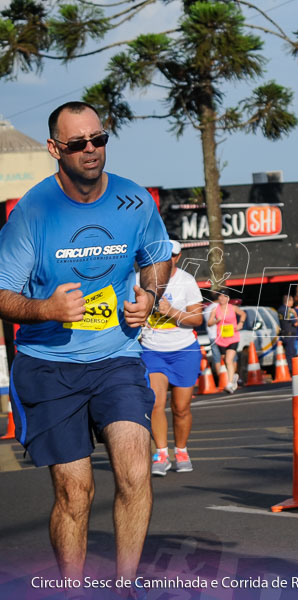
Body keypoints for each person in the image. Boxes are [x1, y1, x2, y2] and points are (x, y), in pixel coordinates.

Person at [0, 101, 171, 590]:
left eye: (99, 139)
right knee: (76, 492)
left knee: (136, 470)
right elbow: (2, 294)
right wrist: (46, 309)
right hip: (49, 364)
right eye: (78, 143)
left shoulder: (134, 200)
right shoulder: (33, 212)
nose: (91, 150)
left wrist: (150, 294)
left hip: (116, 357)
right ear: (56, 149)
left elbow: (158, 257)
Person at [141, 240, 204, 476]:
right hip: (152, 349)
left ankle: (181, 451)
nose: (168, 260)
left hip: (183, 350)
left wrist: (170, 312)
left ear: (178, 257)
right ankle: (161, 454)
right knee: (156, 404)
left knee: (181, 408)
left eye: (173, 256)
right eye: (163, 255)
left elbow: (197, 320)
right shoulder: (141, 278)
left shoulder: (186, 281)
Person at [207, 291, 245, 392]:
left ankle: (230, 384)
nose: (222, 299)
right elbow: (209, 323)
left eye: (224, 297)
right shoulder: (215, 309)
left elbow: (243, 314)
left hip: (233, 337)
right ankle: (234, 377)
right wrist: (216, 321)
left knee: (228, 360)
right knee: (225, 360)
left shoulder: (233, 307)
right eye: (220, 297)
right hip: (221, 339)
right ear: (218, 298)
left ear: (228, 298)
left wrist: (241, 323)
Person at [277, 293, 298, 362]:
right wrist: (295, 313)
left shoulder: (280, 309)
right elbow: (296, 323)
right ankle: (291, 370)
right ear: (288, 301)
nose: (293, 302)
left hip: (284, 334)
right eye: (292, 300)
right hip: (290, 335)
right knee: (291, 354)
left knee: (287, 353)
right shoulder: (289, 310)